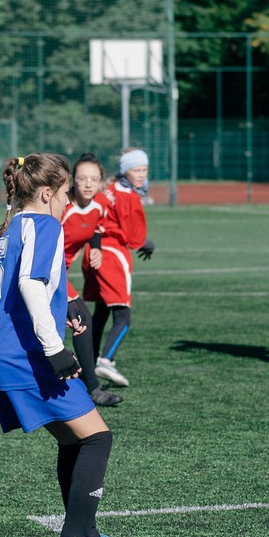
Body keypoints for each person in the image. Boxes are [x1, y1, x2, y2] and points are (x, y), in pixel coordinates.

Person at [0, 153, 135, 537]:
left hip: (0, 352)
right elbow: (30, 284)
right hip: (27, 355)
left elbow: (22, 289)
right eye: (65, 192)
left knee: (74, 439)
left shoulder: (8, 228)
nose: (69, 201)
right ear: (47, 193)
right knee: (98, 438)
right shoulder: (46, 225)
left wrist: (61, 306)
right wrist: (55, 348)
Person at [85, 147, 156, 388]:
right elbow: (132, 236)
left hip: (93, 251)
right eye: (137, 170)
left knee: (101, 311)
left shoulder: (111, 188)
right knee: (123, 315)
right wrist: (147, 244)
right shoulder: (128, 195)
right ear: (126, 171)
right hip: (112, 255)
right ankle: (106, 360)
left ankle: (89, 362)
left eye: (144, 169)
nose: (141, 174)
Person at [61, 153, 122, 406]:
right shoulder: (62, 206)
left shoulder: (100, 204)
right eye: (82, 178)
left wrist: (95, 247)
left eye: (94, 179)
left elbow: (96, 226)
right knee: (82, 318)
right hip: (45, 272)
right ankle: (93, 389)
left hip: (57, 273)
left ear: (101, 182)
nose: (88, 184)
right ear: (72, 180)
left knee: (26, 328)